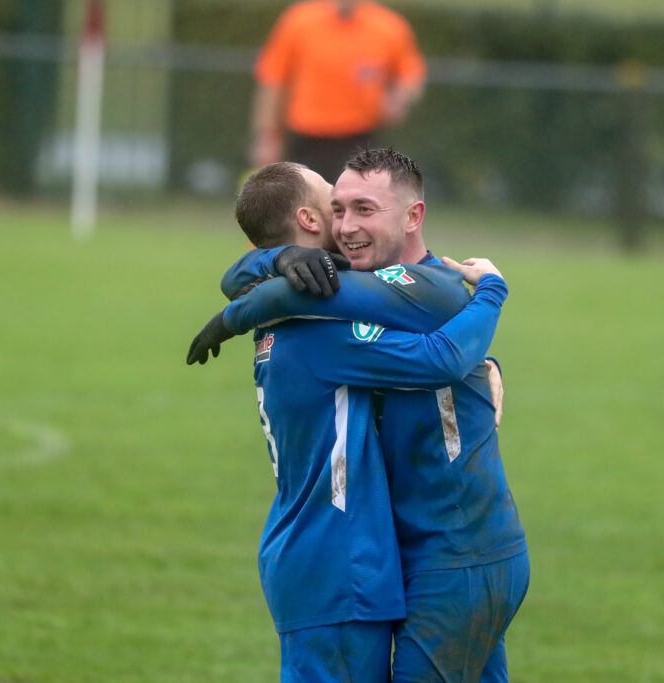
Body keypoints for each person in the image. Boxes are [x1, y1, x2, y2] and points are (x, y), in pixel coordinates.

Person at [192, 150, 529, 682]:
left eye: (361, 209)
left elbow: (441, 346)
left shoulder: (427, 287)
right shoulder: (322, 311)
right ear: (312, 220)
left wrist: (249, 289)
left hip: (459, 554)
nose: (346, 224)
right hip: (380, 559)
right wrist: (270, 264)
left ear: (411, 217)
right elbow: (433, 353)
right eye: (338, 207)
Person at [250, 0, 426, 183]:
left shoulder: (388, 26)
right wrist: (267, 138)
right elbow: (273, 81)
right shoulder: (299, 21)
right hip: (307, 136)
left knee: (352, 204)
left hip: (359, 136)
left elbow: (411, 76)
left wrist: (400, 97)